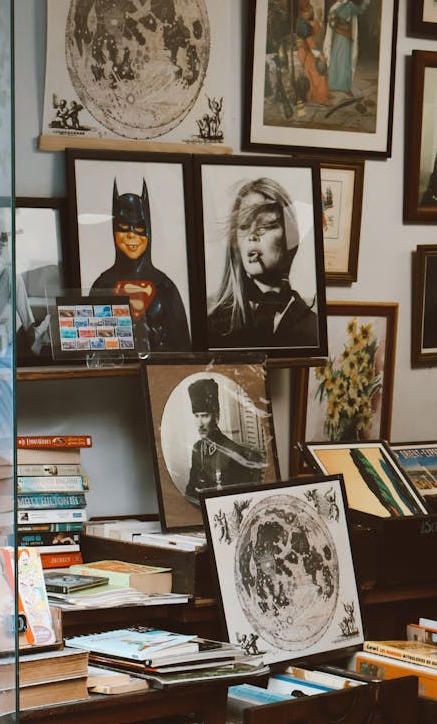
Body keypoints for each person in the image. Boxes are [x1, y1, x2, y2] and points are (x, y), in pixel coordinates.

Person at [207, 177, 318, 349]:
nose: (252, 235)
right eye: (243, 226)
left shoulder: (313, 327)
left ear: (291, 237)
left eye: (264, 226)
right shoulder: (215, 325)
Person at [89, 179, 191, 351]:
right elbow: (91, 348)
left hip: (160, 375)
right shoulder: (102, 285)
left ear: (149, 230)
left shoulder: (165, 286)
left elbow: (183, 348)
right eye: (123, 226)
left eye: (139, 227)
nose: (131, 235)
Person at [184, 378, 266, 502]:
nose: (199, 423)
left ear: (216, 417)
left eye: (205, 416)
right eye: (196, 416)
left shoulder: (233, 452)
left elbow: (242, 500)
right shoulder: (197, 449)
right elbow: (190, 491)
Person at [322, 0, 370, 95]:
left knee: (345, 62)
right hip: (338, 37)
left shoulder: (349, 4)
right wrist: (332, 19)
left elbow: (360, 10)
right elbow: (331, 25)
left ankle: (346, 87)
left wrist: (365, 0)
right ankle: (333, 85)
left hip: (347, 38)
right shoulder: (334, 7)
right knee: (336, 61)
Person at [295, 1, 329, 105]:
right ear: (303, 13)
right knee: (317, 69)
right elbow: (310, 41)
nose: (310, 13)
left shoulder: (305, 22)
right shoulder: (302, 24)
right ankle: (319, 96)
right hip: (304, 52)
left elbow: (314, 31)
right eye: (308, 12)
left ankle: (323, 93)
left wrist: (319, 17)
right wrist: (319, 55)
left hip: (308, 50)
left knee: (321, 65)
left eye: (310, 11)